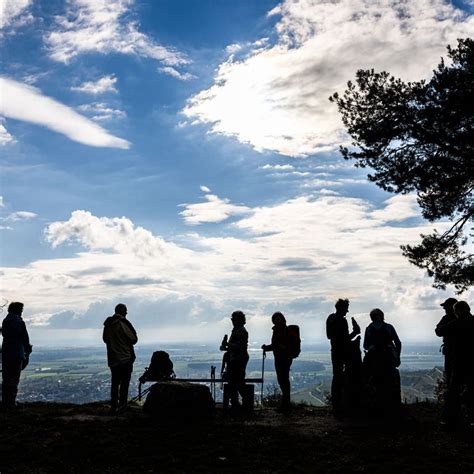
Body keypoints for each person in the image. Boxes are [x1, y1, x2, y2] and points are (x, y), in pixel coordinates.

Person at [363, 308, 402, 416]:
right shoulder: (389, 327)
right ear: (382, 316)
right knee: (391, 381)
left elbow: (365, 345)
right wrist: (397, 356)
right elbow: (398, 343)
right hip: (389, 357)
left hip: (373, 358)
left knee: (370, 379)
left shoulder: (369, 329)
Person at [442, 300, 474, 429]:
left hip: (459, 361)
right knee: (472, 388)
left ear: (459, 311)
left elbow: (440, 331)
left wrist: (448, 319)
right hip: (472, 361)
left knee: (454, 390)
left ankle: (452, 420)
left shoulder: (455, 323)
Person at [326, 298, 360, 413]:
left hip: (334, 351)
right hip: (344, 352)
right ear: (343, 309)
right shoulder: (342, 321)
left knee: (336, 377)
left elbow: (329, 336)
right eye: (346, 309)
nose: (347, 312)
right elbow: (345, 339)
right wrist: (355, 332)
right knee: (344, 376)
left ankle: (336, 404)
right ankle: (343, 403)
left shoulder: (330, 318)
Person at [102, 304, 138, 414]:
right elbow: (133, 339)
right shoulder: (123, 323)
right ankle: (122, 406)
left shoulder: (108, 325)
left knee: (115, 383)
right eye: (126, 312)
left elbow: (105, 339)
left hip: (113, 359)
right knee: (124, 383)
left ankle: (113, 406)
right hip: (125, 358)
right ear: (124, 312)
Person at [1, 302, 32, 408]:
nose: (21, 312)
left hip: (6, 353)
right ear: (18, 310)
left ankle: (6, 401)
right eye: (21, 310)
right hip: (16, 353)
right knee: (14, 378)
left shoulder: (6, 321)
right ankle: (11, 402)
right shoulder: (19, 322)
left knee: (6, 378)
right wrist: (28, 349)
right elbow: (24, 338)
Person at [262, 312, 294, 412]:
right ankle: (286, 404)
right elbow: (275, 345)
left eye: (277, 318)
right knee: (283, 381)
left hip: (283, 358)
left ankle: (286, 405)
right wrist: (267, 348)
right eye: (275, 319)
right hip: (281, 358)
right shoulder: (278, 330)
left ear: (281, 319)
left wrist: (268, 348)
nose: (276, 320)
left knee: (283, 380)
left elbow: (277, 345)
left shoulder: (283, 330)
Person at [220, 310, 249, 411]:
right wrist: (225, 347)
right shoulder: (237, 330)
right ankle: (237, 404)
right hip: (236, 359)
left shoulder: (241, 331)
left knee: (236, 382)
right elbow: (236, 347)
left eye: (234, 319)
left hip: (238, 359)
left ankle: (240, 404)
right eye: (232, 319)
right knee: (234, 381)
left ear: (240, 320)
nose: (232, 321)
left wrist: (227, 345)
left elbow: (240, 346)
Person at [435, 298, 457, 402]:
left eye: (445, 307)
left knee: (451, 378)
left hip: (451, 351)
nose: (444, 308)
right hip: (466, 352)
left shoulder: (447, 318)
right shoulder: (468, 319)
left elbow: (438, 331)